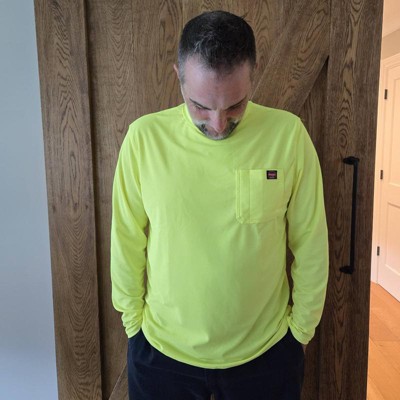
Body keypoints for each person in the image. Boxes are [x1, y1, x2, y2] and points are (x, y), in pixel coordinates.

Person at [111, 10, 328, 400]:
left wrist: (301, 331)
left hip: (267, 355)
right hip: (160, 354)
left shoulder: (289, 136)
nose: (218, 124)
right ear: (178, 75)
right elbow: (126, 240)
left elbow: (311, 241)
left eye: (235, 105)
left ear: (252, 75)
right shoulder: (144, 139)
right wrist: (133, 325)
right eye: (200, 106)